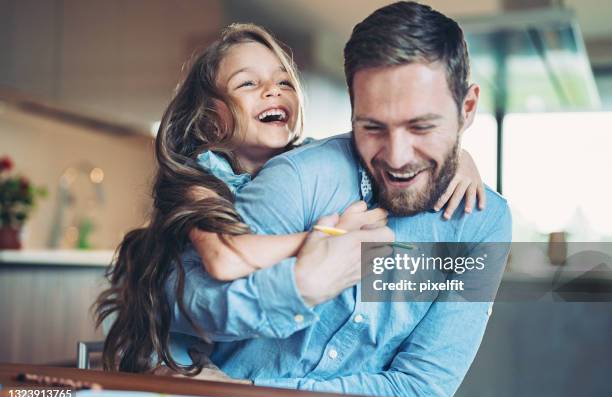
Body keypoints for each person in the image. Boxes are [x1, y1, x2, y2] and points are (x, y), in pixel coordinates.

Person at [163, 1, 512, 397]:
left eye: (422, 126)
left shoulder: (483, 224)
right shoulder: (300, 175)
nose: (397, 158)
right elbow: (179, 303)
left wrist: (252, 394)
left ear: (466, 110)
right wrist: (304, 283)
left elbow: (421, 388)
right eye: (373, 127)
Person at [95, 21, 485, 376]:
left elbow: (383, 151)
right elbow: (225, 257)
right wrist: (325, 237)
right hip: (168, 353)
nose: (272, 90)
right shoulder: (199, 176)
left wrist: (458, 158)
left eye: (283, 82)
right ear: (209, 116)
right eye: (248, 84)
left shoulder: (307, 166)